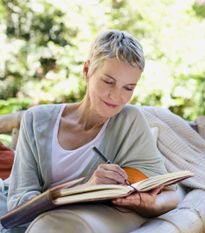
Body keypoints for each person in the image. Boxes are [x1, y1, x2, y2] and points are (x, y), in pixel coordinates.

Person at [0, 30, 180, 232]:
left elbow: (169, 193)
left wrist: (148, 204)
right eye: (108, 82)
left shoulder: (130, 121)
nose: (116, 96)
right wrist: (88, 188)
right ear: (87, 70)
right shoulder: (36, 120)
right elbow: (17, 203)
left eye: (128, 88)